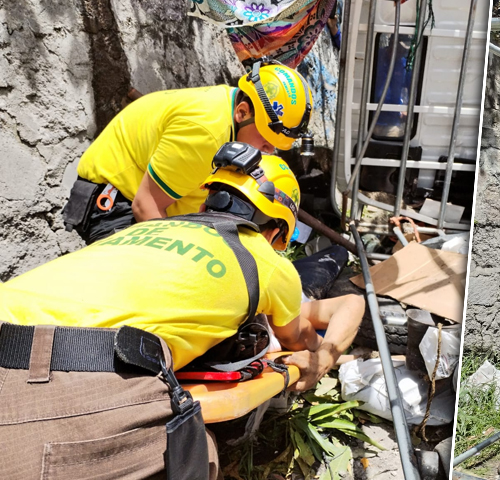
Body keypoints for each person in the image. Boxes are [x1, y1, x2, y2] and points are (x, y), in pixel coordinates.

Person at [0, 144, 363, 478]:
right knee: (196, 451)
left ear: (208, 203)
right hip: (62, 381)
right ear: (277, 233)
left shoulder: (144, 231)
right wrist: (321, 361)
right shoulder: (264, 260)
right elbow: (307, 334)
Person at [62, 59, 314, 245]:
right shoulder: (206, 132)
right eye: (266, 141)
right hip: (115, 205)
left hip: (134, 202)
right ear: (243, 112)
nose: (268, 151)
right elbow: (145, 206)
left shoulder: (230, 115)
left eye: (275, 146)